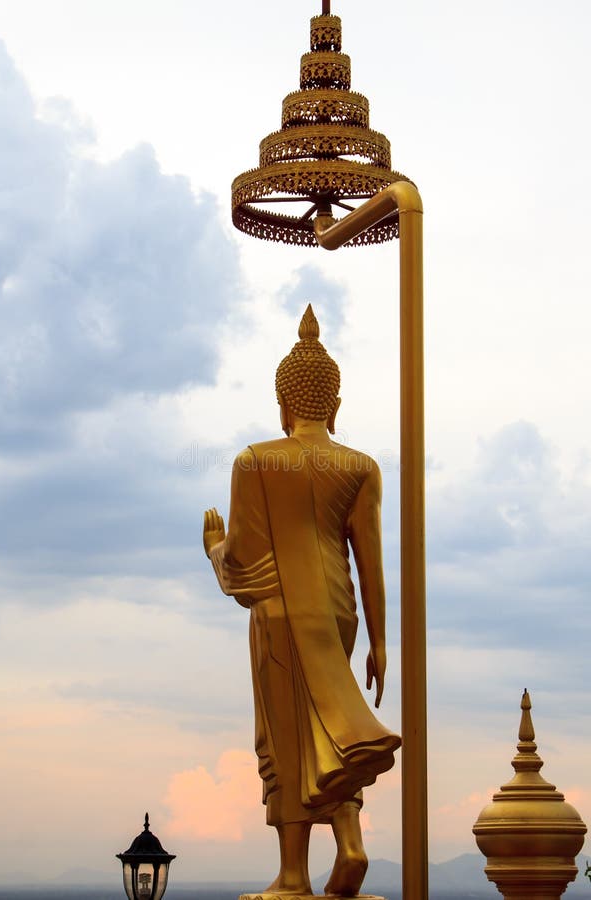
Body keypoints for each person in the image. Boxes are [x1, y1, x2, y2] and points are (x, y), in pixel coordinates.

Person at [203, 305, 400, 896]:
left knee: (288, 737)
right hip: (337, 612)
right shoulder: (360, 466)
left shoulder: (255, 460)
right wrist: (381, 638)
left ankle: (293, 875)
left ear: (284, 404)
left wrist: (213, 546)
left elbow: (240, 561)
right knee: (333, 723)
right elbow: (371, 562)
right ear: (333, 406)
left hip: (280, 614)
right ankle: (350, 843)